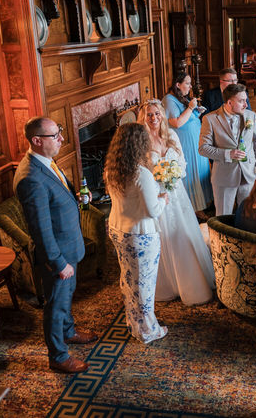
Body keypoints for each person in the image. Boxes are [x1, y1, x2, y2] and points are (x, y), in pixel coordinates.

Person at [14, 117, 97, 373]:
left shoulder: (46, 161)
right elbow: (40, 229)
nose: (61, 138)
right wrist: (59, 263)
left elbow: (54, 201)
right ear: (37, 141)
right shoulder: (30, 178)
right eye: (55, 135)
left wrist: (76, 198)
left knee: (66, 297)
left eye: (59, 132)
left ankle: (68, 332)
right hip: (57, 255)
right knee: (55, 305)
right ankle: (58, 356)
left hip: (68, 247)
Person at [138, 100, 214, 306]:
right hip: (156, 195)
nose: (154, 118)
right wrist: (158, 179)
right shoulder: (141, 141)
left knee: (183, 233)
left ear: (162, 115)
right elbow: (141, 171)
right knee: (163, 237)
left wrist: (173, 174)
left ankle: (191, 281)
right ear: (143, 118)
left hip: (176, 192)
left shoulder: (171, 135)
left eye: (156, 113)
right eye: (149, 115)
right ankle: (169, 284)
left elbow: (182, 163)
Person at [105, 123, 169, 344]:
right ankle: (148, 330)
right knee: (144, 283)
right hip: (139, 235)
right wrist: (163, 199)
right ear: (140, 145)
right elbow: (153, 211)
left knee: (128, 279)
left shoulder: (112, 169)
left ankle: (134, 322)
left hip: (118, 230)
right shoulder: (141, 174)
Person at [199, 83, 256, 216]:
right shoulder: (210, 119)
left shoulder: (250, 115)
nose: (245, 104)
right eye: (241, 101)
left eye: (246, 100)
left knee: (248, 216)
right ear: (229, 102)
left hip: (248, 174)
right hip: (224, 177)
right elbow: (203, 148)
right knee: (223, 216)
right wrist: (228, 154)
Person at [164, 72, 213, 213]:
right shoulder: (169, 100)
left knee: (200, 171)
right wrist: (191, 108)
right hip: (185, 143)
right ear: (178, 85)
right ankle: (193, 209)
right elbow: (176, 123)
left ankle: (203, 205)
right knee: (191, 173)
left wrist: (196, 112)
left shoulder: (181, 98)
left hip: (195, 142)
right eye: (187, 83)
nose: (190, 86)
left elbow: (186, 118)